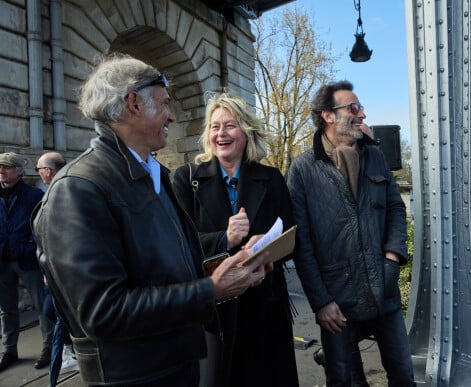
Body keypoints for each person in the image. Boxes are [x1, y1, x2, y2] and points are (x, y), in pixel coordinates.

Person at [32, 54, 268, 386]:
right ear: (134, 103)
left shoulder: (153, 175)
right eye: (165, 103)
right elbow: (103, 311)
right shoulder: (78, 189)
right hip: (133, 377)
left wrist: (234, 259)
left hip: (174, 365)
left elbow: (172, 260)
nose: (172, 114)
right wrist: (209, 291)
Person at [286, 80, 415, 386]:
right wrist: (320, 303)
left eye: (361, 108)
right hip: (337, 301)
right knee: (343, 380)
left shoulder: (375, 156)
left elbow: (396, 209)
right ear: (328, 115)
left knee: (403, 375)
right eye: (353, 108)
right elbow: (301, 242)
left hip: (383, 290)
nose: (362, 115)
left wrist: (392, 257)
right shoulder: (302, 169)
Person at [172, 92, 299, 387]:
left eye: (230, 125)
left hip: (265, 309)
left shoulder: (272, 178)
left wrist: (264, 246)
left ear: (246, 131)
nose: (221, 134)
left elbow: (294, 238)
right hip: (212, 312)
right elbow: (177, 243)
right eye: (215, 127)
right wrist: (224, 239)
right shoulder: (185, 179)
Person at [0, 152, 54, 372]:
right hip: (2, 260)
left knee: (42, 305)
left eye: (7, 167)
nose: (1, 170)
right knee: (7, 309)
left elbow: (41, 226)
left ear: (19, 171)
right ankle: (9, 350)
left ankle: (48, 348)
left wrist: (31, 247)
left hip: (27, 259)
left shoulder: (33, 195)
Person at [36, 151, 77, 386]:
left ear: (48, 171)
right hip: (53, 269)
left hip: (63, 271)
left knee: (55, 312)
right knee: (54, 312)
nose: (39, 173)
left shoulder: (66, 189)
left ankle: (72, 352)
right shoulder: (55, 189)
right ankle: (71, 351)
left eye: (39, 169)